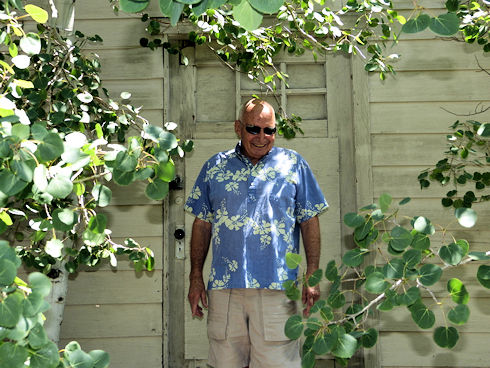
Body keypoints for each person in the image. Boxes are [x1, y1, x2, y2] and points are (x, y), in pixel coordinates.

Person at [185, 98, 328, 368]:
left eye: (269, 130)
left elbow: (310, 220)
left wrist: (312, 273)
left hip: (277, 286)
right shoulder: (214, 167)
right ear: (238, 128)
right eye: (254, 129)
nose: (262, 137)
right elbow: (202, 223)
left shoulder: (293, 164)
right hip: (226, 288)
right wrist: (195, 277)